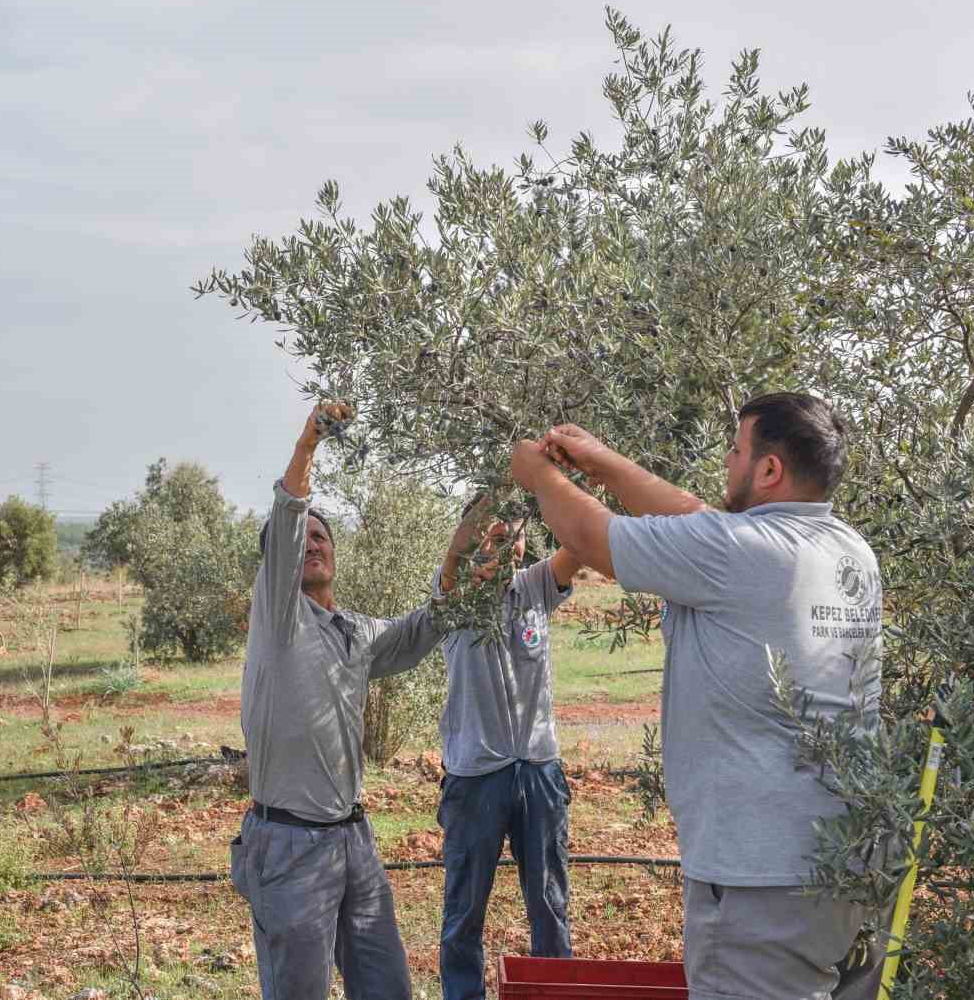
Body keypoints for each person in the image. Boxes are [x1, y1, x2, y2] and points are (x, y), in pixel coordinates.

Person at [507, 392, 884, 1000]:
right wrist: (602, 462)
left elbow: (589, 535)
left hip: (759, 887)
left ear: (769, 470)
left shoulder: (741, 554)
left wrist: (535, 472)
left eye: (737, 451)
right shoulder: (847, 552)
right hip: (853, 871)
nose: (727, 463)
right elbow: (695, 517)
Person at [233, 401, 483, 1000]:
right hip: (289, 846)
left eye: (323, 535)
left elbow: (422, 630)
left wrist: (461, 550)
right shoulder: (279, 618)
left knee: (386, 983)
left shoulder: (354, 632)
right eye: (302, 540)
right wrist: (308, 444)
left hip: (353, 839)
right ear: (282, 561)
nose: (312, 544)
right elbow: (289, 516)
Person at [434, 496, 582, 1000]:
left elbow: (580, 542)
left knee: (549, 903)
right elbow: (456, 555)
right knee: (464, 910)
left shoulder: (537, 584)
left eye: (515, 530)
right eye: (494, 529)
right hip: (476, 776)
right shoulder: (452, 593)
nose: (506, 539)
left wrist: (557, 483)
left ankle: (555, 992)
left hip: (539, 772)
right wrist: (497, 488)